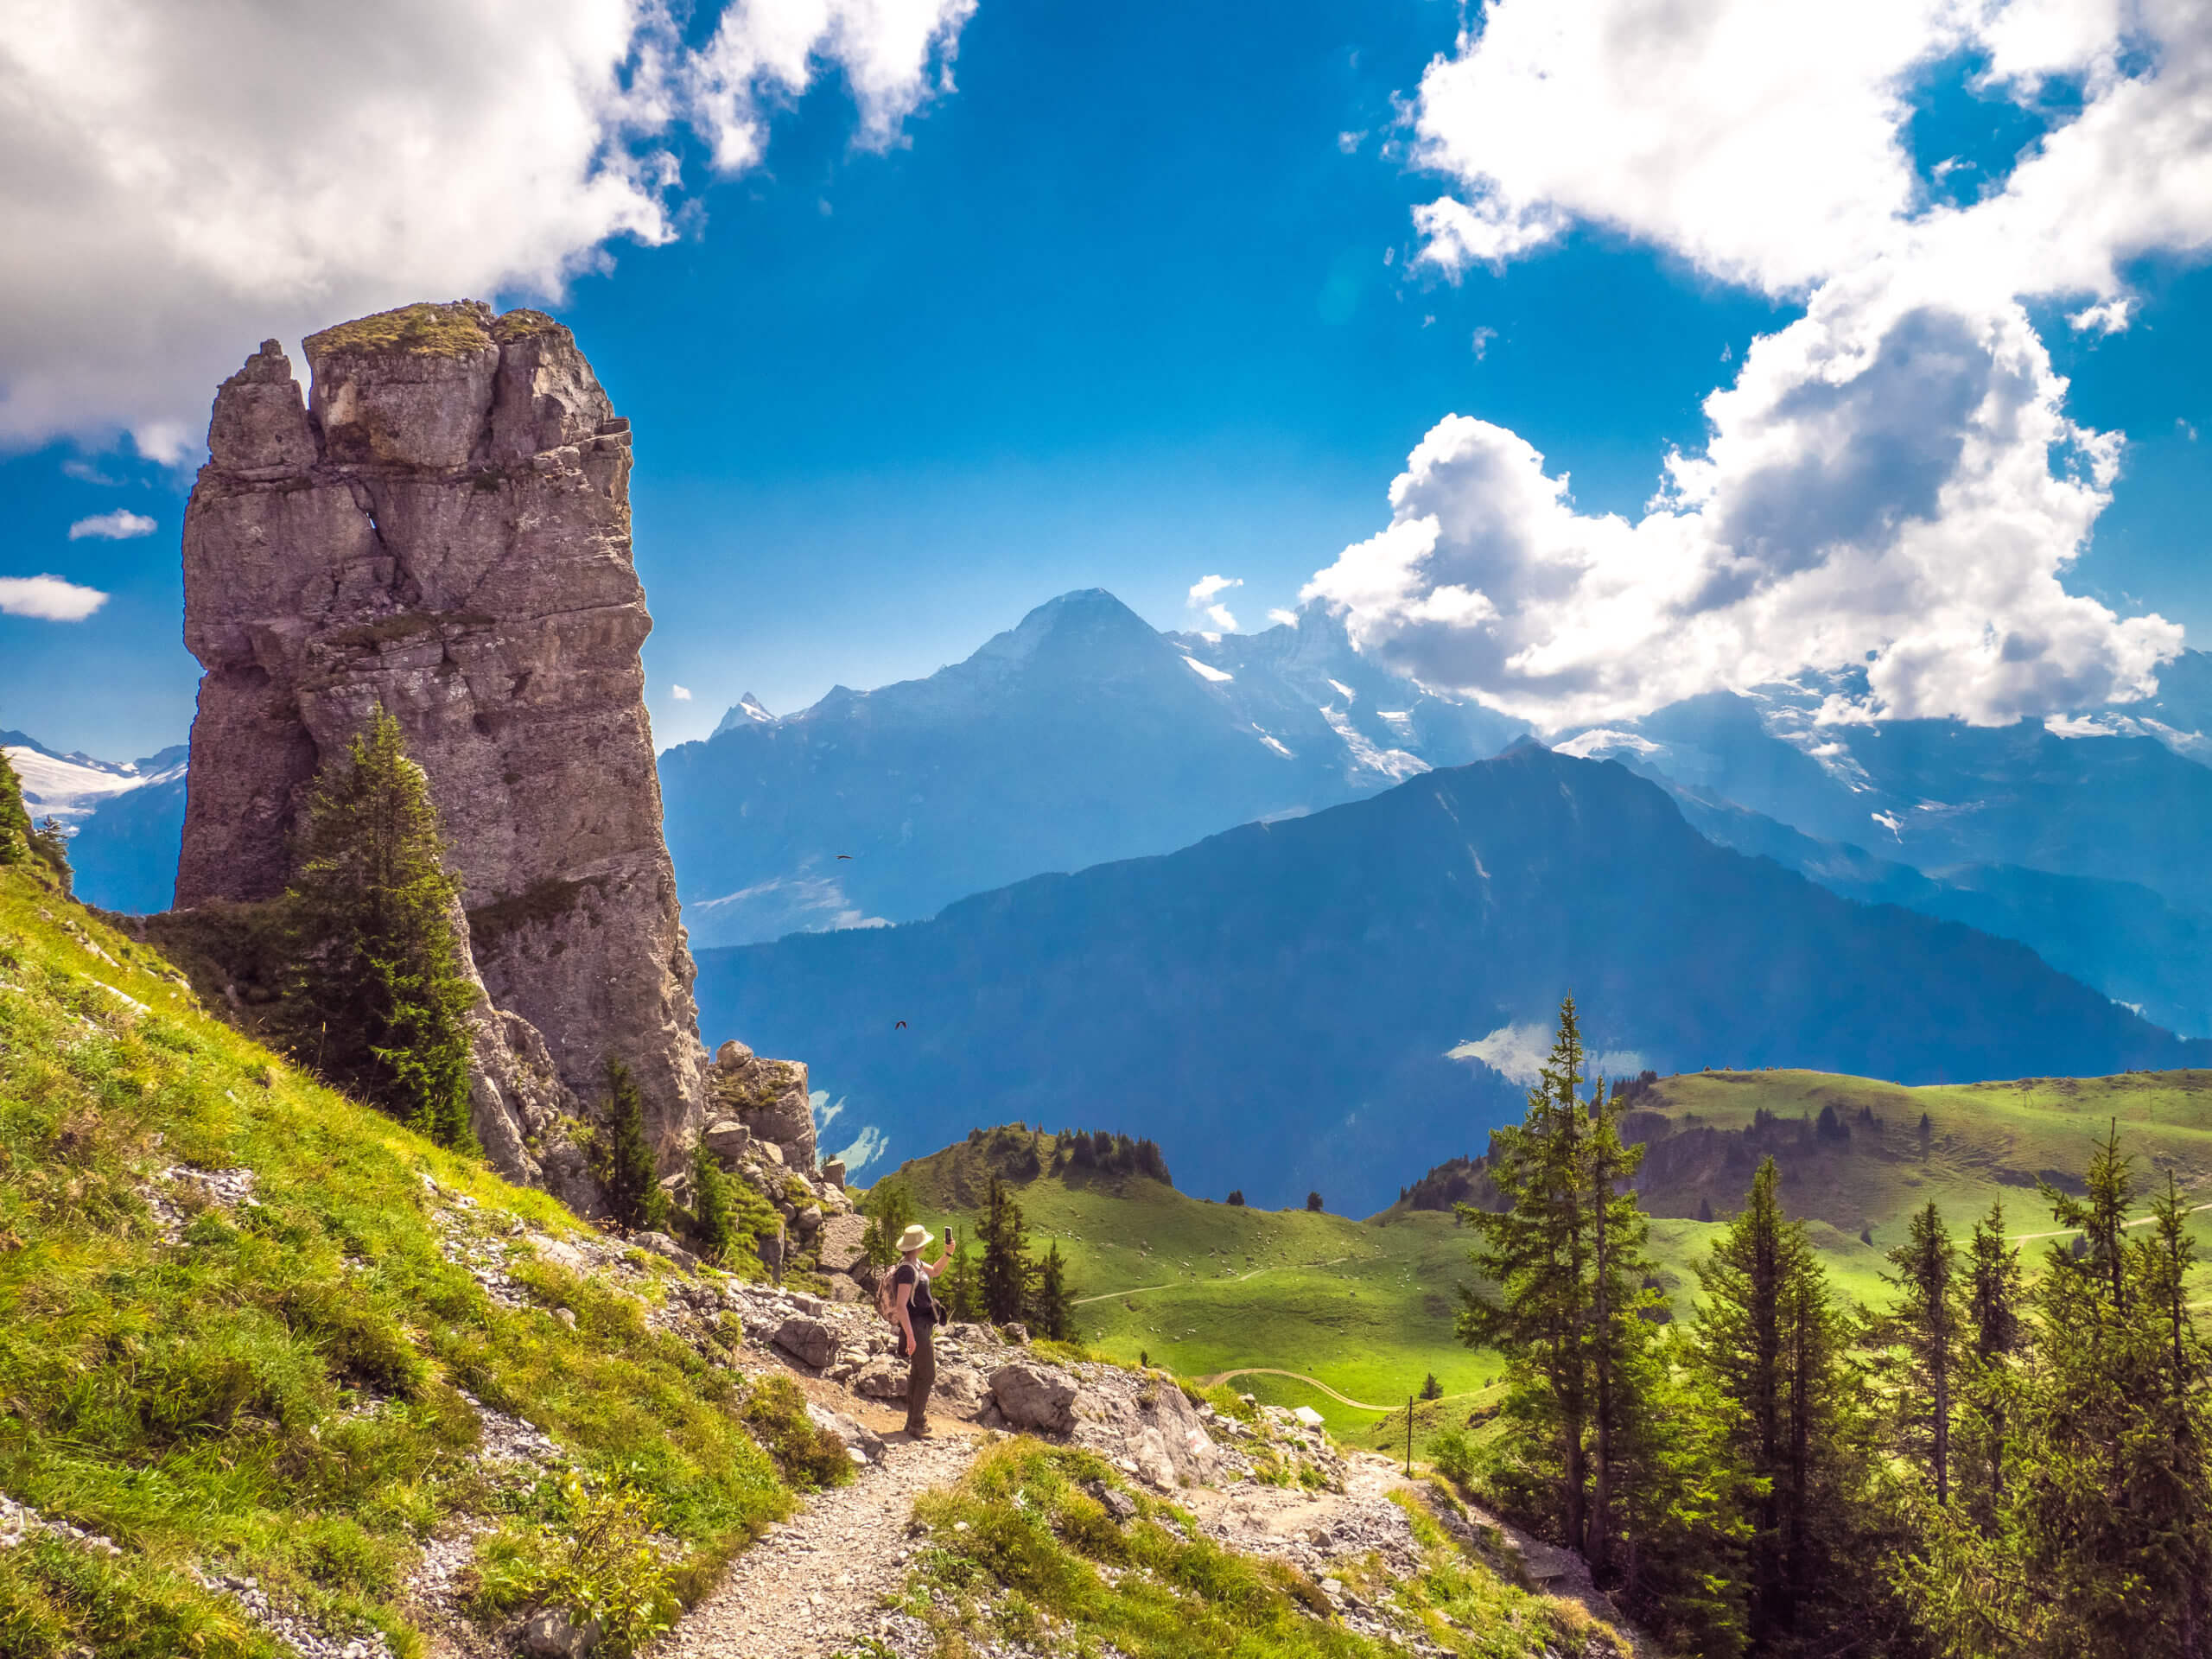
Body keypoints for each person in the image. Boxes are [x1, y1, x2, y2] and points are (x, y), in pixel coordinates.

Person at [890, 1222, 954, 1437]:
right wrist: (909, 1335)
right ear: (918, 1246)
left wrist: (948, 1254)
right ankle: (918, 1422)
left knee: (918, 1373)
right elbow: (900, 1305)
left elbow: (935, 1271)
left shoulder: (914, 1264)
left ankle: (911, 1421)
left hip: (921, 1326)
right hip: (915, 1326)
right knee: (928, 1374)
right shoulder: (907, 1270)